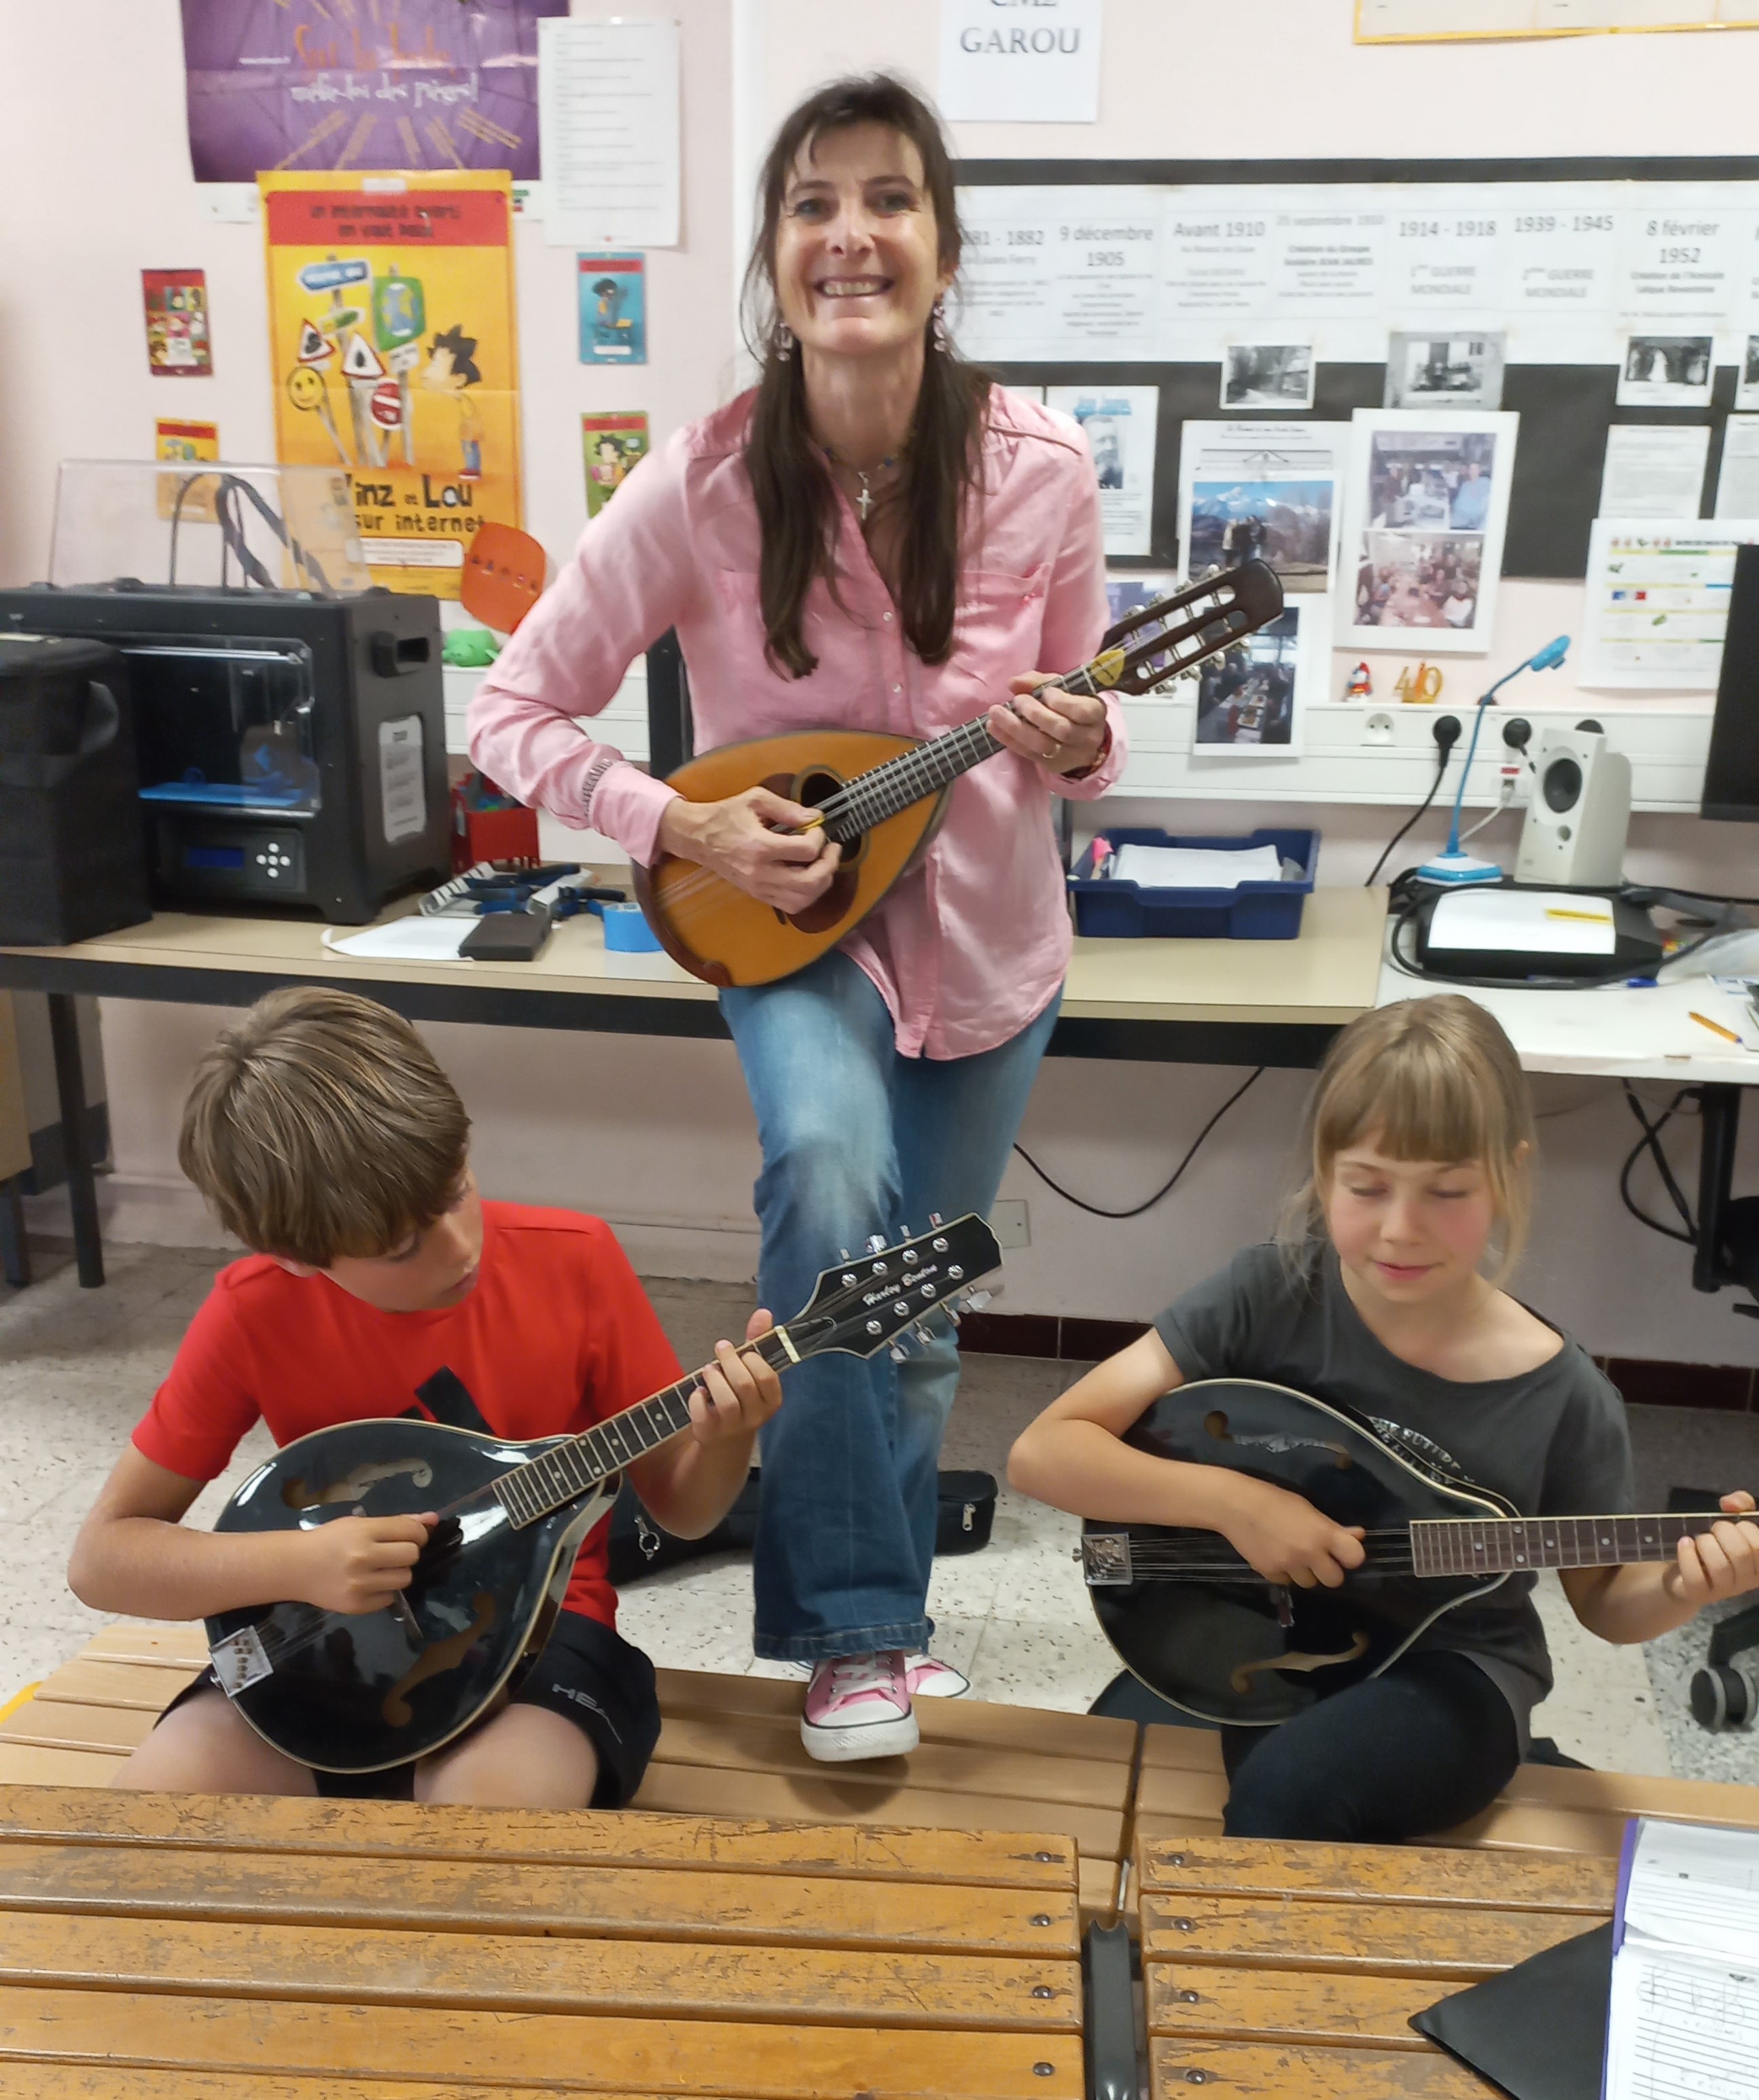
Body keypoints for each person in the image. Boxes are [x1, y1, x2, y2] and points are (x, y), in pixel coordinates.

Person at [468, 73, 1122, 1762]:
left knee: (914, 1303)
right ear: (773, 254)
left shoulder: (1042, 470)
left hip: (986, 943)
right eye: (812, 203)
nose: (851, 234)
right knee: (831, 1189)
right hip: (787, 937)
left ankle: (873, 1612)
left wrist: (1080, 735)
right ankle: (847, 1630)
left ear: (939, 244)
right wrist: (677, 818)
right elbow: (513, 710)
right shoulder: (694, 485)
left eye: (888, 199)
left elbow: (1088, 738)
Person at [1008, 997, 1759, 1845]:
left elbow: (1608, 1605)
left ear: (1509, 1175)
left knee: (1284, 1804)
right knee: (1274, 1805)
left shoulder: (1566, 1395)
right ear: (1325, 1173)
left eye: (1447, 1191)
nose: (1402, 1229)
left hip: (1460, 1669)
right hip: (1276, 1637)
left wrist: (1681, 1587)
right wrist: (1239, 1506)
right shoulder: (1269, 1294)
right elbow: (1044, 1454)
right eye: (1367, 1187)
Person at [67, 987, 783, 1807]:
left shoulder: (576, 1261)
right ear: (301, 1258)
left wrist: (727, 1436)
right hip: (318, 1650)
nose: (461, 1246)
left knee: (480, 1853)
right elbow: (102, 1560)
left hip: (536, 1645)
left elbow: (685, 1512)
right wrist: (302, 1563)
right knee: (140, 1837)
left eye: (457, 1186)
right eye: (404, 1245)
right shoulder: (254, 1307)